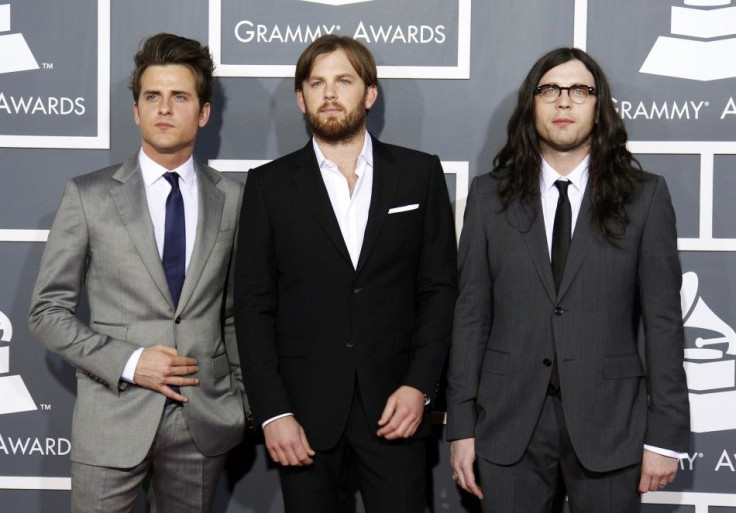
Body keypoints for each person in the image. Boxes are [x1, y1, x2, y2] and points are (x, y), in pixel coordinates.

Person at [446, 47, 690, 513]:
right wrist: (460, 426)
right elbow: (471, 317)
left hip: (611, 423)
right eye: (550, 90)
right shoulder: (487, 196)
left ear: (599, 107)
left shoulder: (645, 197)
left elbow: (663, 323)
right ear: (530, 104)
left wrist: (665, 433)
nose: (564, 102)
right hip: (508, 422)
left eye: (580, 90)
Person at [234, 34, 457, 513]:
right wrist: (273, 412)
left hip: (397, 408)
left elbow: (439, 291)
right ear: (301, 99)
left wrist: (420, 386)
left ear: (369, 94)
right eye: (316, 83)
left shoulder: (419, 174)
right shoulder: (269, 185)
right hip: (304, 416)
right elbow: (252, 308)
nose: (329, 93)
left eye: (343, 80)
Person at [28, 33, 247, 513]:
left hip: (202, 423)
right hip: (112, 417)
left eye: (180, 97)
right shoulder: (88, 196)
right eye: (152, 96)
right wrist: (129, 362)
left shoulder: (233, 199)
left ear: (203, 113)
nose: (164, 108)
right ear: (136, 110)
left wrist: (240, 406)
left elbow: (235, 314)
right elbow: (47, 312)